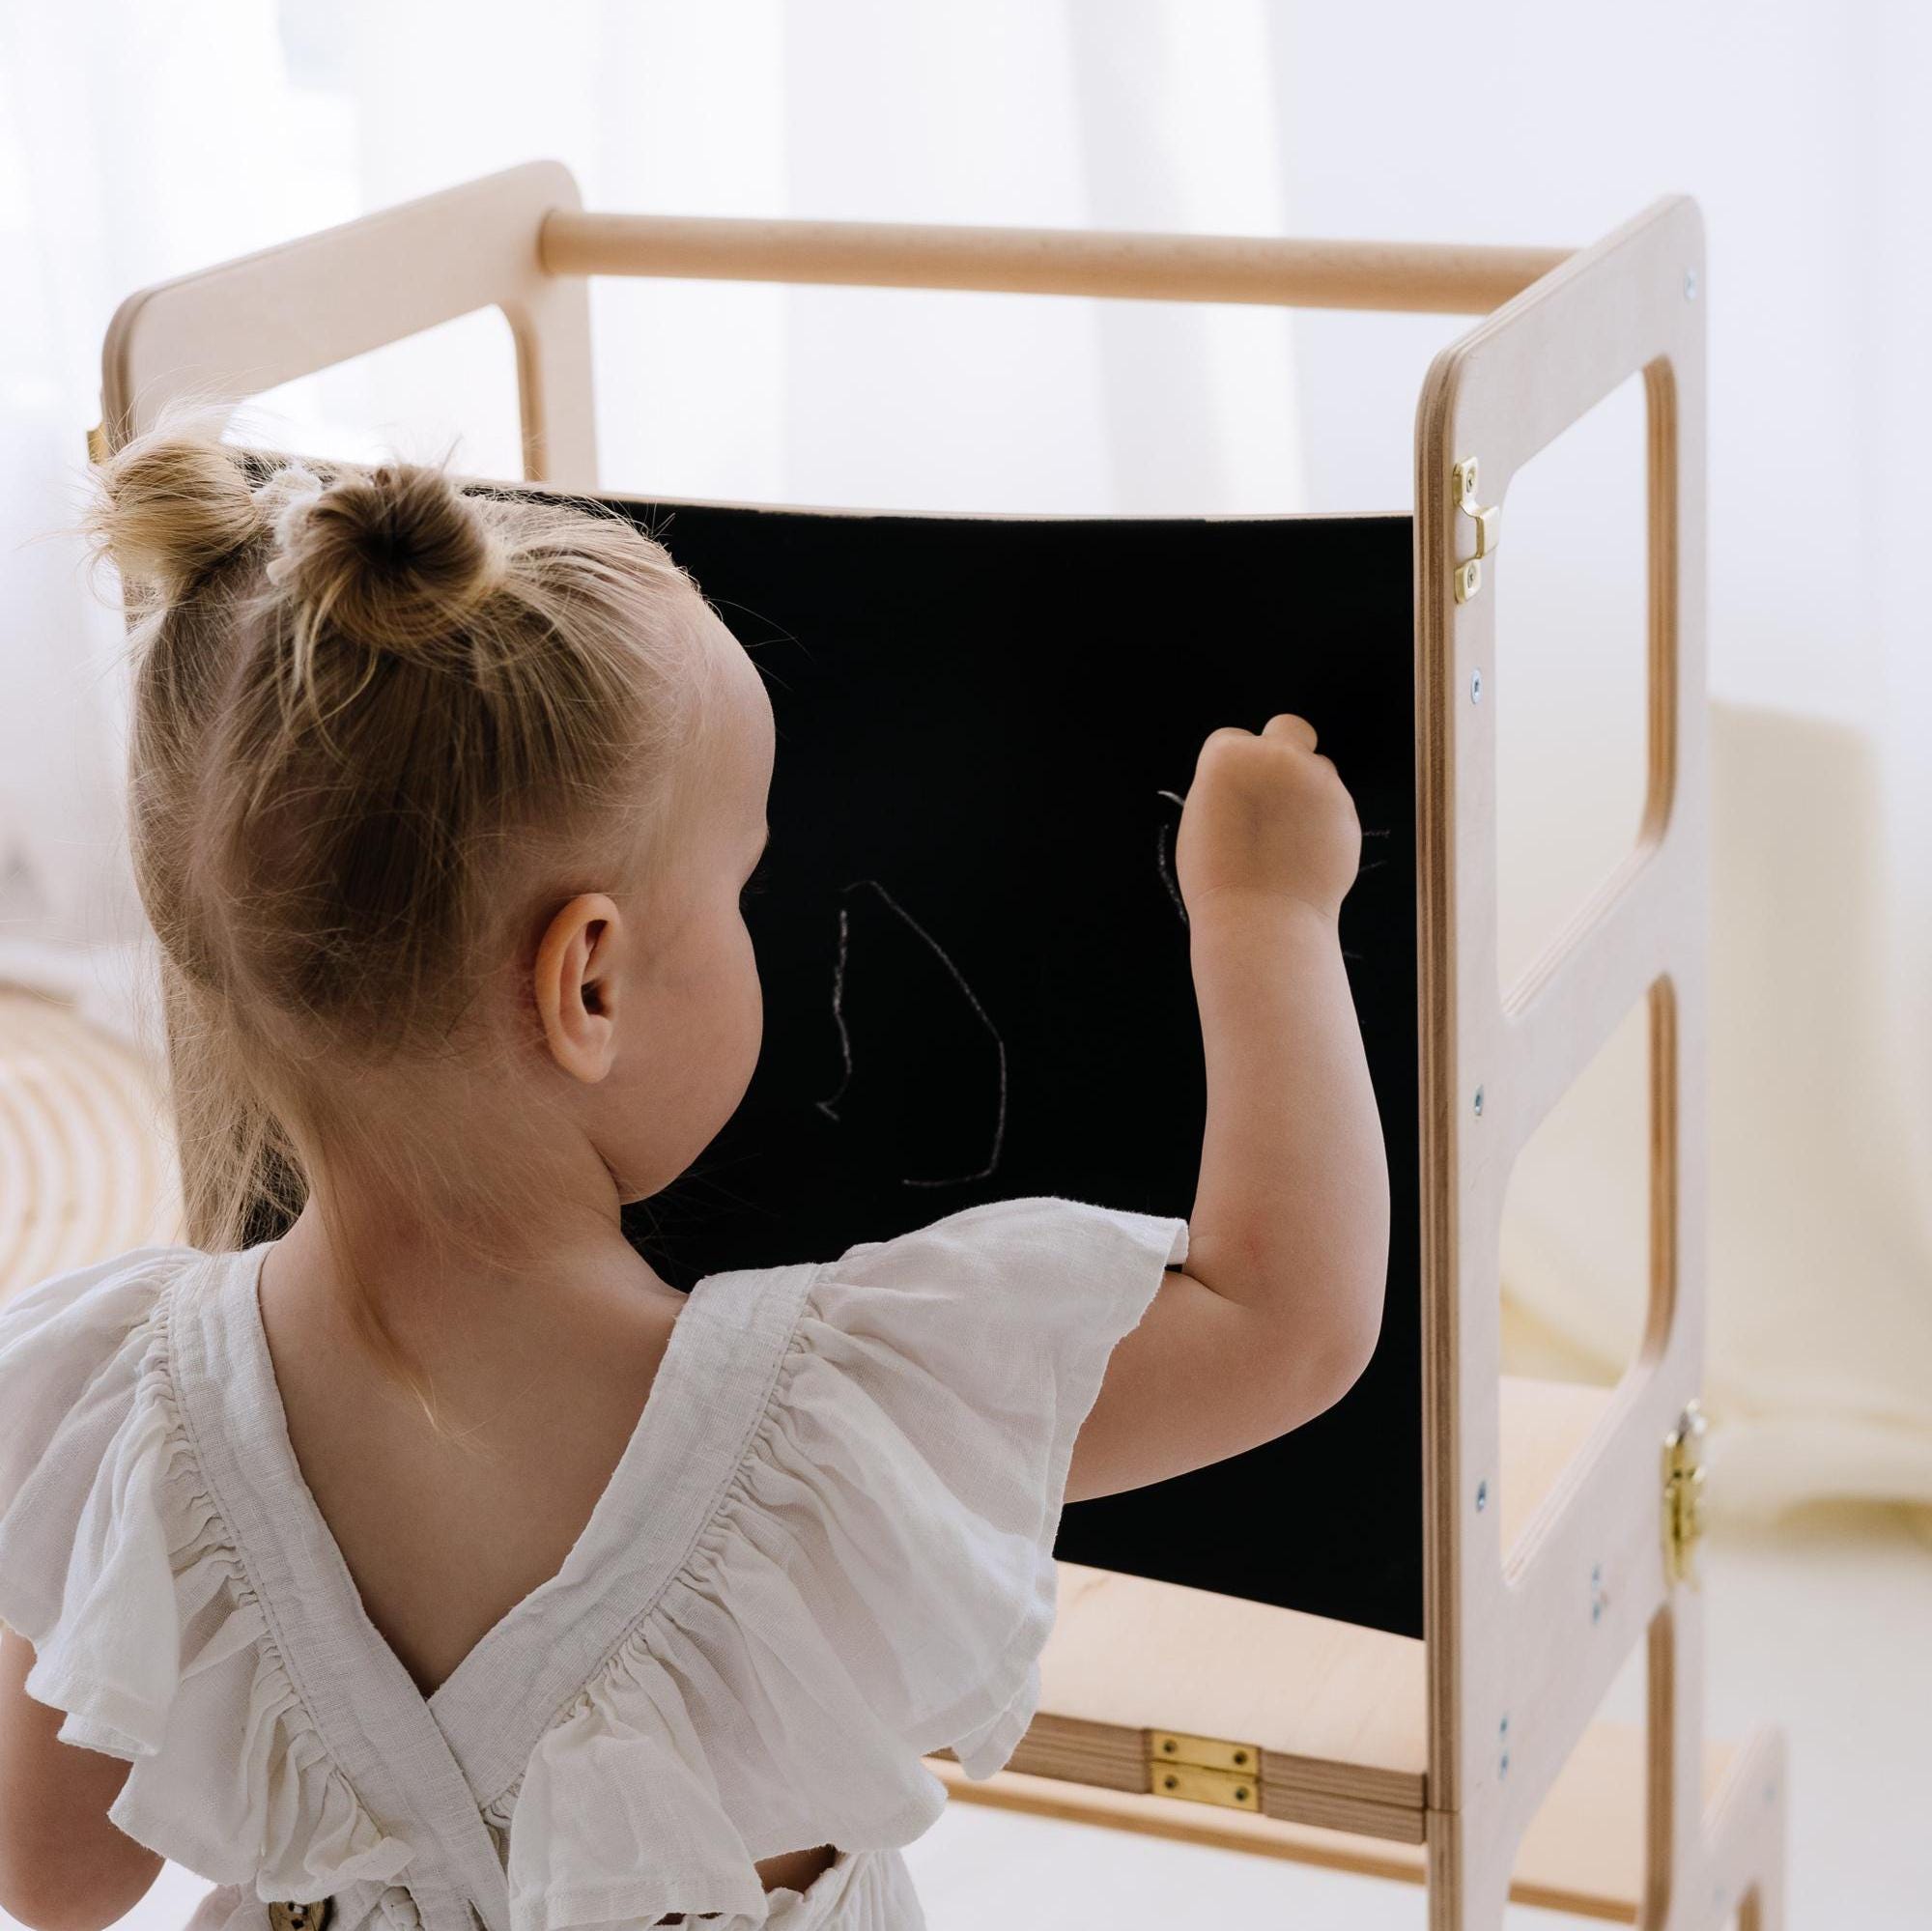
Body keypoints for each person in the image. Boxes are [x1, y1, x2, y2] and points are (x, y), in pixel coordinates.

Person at [0, 412, 1389, 1931]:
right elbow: (1286, 1320)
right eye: (741, 882)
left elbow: (58, 1877)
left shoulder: (105, 1408)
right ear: (587, 985)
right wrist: (1267, 915)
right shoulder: (828, 1424)